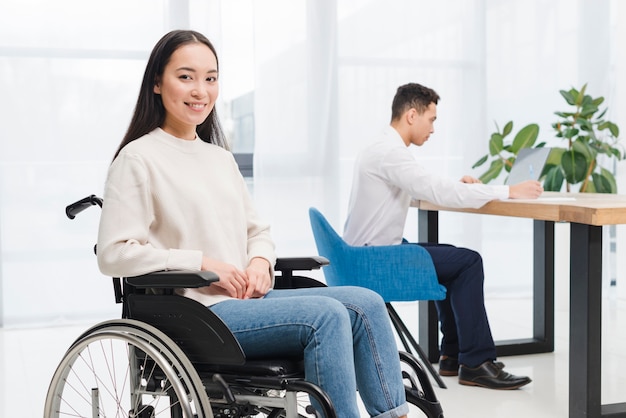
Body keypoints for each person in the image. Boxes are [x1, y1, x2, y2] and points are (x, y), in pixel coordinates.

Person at [96, 29, 410, 418]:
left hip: (248, 302)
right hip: (199, 313)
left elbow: (257, 232)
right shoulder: (139, 158)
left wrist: (261, 263)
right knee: (326, 316)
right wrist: (202, 265)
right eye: (186, 76)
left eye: (210, 78)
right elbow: (114, 254)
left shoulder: (219, 159)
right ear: (157, 83)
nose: (201, 91)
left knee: (366, 303)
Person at [343, 82, 543, 390]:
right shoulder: (390, 153)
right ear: (412, 115)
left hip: (365, 255)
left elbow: (419, 187)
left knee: (451, 256)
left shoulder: (381, 149)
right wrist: (509, 191)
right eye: (431, 119)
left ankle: (452, 355)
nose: (433, 129)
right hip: (375, 261)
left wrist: (462, 186)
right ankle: (476, 363)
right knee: (468, 262)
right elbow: (433, 189)